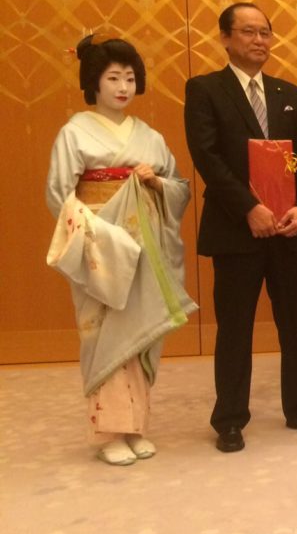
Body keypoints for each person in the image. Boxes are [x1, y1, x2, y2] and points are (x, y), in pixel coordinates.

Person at [184, 2, 297, 452]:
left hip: (288, 228)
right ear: (225, 38)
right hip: (236, 230)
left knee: (294, 325)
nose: (259, 41)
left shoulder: (290, 92)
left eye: (265, 32)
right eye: (248, 32)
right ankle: (229, 418)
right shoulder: (205, 89)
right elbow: (206, 157)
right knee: (235, 327)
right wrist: (250, 207)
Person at [45, 35, 197, 465]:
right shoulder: (74, 132)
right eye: (113, 78)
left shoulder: (149, 136)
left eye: (130, 78)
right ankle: (109, 431)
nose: (122, 87)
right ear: (93, 82)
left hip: (144, 242)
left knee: (141, 332)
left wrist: (155, 182)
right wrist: (97, 236)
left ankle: (135, 427)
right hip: (100, 246)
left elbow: (180, 188)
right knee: (103, 332)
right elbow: (60, 194)